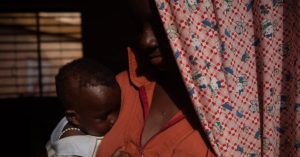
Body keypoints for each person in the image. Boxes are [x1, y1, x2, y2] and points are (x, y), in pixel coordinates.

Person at [97, 0, 215, 156]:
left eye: (161, 25)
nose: (146, 41)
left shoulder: (226, 110)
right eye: (139, 27)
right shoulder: (121, 87)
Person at [46, 58, 121, 157]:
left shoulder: (77, 120)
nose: (114, 119)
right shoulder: (74, 151)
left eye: (117, 108)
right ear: (74, 118)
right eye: (103, 117)